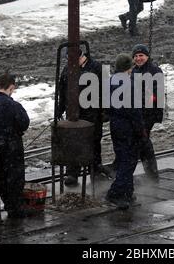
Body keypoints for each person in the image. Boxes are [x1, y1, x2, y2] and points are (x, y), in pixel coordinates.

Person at [0, 73, 30, 219]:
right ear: (11, 87)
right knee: (15, 178)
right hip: (12, 147)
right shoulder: (13, 105)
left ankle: (7, 204)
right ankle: (16, 209)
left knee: (1, 177)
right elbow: (24, 123)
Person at [57, 47, 105, 186]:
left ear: (82, 56)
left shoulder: (97, 68)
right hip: (74, 113)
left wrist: (104, 111)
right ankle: (72, 173)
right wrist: (59, 109)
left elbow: (106, 90)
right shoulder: (67, 70)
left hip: (93, 113)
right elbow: (62, 90)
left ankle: (95, 169)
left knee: (94, 142)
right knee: (73, 142)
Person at [106, 53, 145, 210]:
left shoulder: (110, 82)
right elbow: (134, 111)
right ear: (128, 68)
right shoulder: (129, 84)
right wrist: (140, 129)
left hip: (115, 124)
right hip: (127, 126)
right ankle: (115, 193)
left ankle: (127, 192)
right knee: (128, 161)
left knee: (123, 158)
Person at [131, 44, 163, 182]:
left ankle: (151, 175)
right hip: (139, 113)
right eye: (136, 56)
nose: (138, 58)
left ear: (147, 56)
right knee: (141, 142)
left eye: (141, 56)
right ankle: (151, 174)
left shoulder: (155, 71)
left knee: (141, 141)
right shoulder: (134, 71)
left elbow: (156, 95)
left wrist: (141, 98)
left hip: (149, 113)